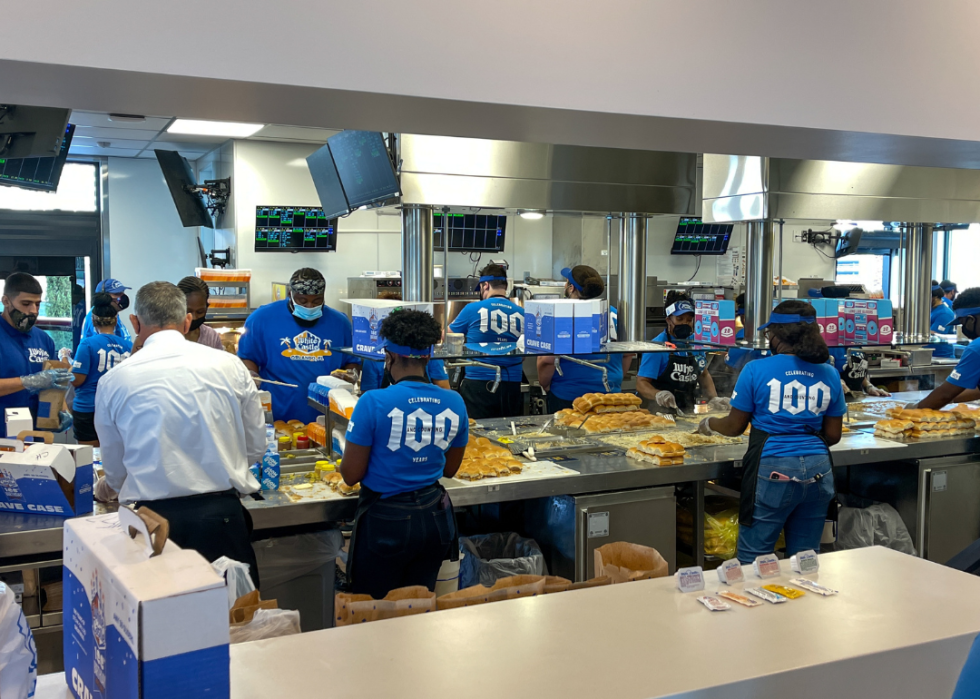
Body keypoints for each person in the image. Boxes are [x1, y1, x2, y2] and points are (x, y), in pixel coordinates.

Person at [95, 282, 265, 586]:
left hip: (153, 523)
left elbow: (116, 471)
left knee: (164, 624)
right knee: (236, 625)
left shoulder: (113, 381)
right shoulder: (230, 365)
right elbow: (254, 447)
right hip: (222, 518)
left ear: (135, 322)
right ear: (187, 320)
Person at [697, 300, 846, 563]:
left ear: (777, 335)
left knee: (756, 560)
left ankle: (756, 602)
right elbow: (833, 435)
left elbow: (734, 427)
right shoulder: (830, 373)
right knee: (806, 559)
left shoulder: (756, 369)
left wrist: (710, 424)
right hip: (819, 471)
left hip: (773, 470)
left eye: (768, 333)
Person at [341, 309, 467, 599]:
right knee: (418, 608)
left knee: (373, 609)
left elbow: (351, 475)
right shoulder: (454, 401)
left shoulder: (373, 401)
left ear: (390, 356)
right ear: (428, 357)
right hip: (435, 519)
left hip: (387, 520)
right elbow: (450, 469)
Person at [238, 268, 360, 424]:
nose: (309, 306)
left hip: (327, 416)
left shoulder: (340, 323)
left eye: (316, 301)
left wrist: (350, 375)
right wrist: (251, 376)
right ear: (290, 294)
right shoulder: (261, 319)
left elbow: (352, 362)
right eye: (302, 301)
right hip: (277, 415)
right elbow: (248, 357)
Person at [536, 266, 628, 413]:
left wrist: (545, 385)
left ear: (571, 288)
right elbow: (628, 353)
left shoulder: (562, 315)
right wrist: (613, 380)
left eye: (566, 282)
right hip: (610, 395)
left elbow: (547, 360)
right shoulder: (614, 314)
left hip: (570, 396)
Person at [0, 273, 73, 438]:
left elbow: (54, 382)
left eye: (37, 304)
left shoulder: (44, 339)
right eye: (26, 304)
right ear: (6, 301)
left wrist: (62, 410)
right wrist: (28, 382)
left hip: (37, 435)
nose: (33, 311)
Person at [448, 264, 525, 418]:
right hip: (512, 384)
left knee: (477, 434)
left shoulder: (471, 309)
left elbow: (447, 336)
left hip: (478, 382)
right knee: (510, 433)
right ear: (506, 286)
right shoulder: (523, 312)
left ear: (485, 285)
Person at [637, 292, 721, 413]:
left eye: (689, 320)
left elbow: (703, 374)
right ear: (668, 320)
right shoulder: (657, 347)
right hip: (658, 412)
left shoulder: (694, 343)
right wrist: (659, 395)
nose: (685, 323)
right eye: (679, 319)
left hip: (687, 410)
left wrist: (714, 399)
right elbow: (641, 383)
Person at [70, 293, 133, 446]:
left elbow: (77, 380)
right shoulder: (128, 346)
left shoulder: (87, 344)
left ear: (93, 320)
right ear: (116, 320)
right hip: (117, 409)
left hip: (88, 408)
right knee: (115, 455)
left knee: (89, 458)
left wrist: (66, 364)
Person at [913, 287, 980, 410]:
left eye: (963, 324)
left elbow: (945, 394)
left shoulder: (977, 347)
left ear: (971, 320)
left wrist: (914, 410)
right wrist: (946, 399)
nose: (964, 329)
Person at [177, 276, 223, 350]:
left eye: (200, 312)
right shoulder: (167, 337)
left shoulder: (211, 337)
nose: (194, 317)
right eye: (188, 311)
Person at [930, 280, 956, 359]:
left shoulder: (944, 313)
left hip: (942, 357)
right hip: (930, 355)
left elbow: (934, 334)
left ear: (936, 297)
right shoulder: (932, 310)